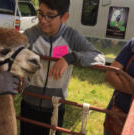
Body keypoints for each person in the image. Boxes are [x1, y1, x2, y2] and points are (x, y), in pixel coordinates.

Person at [20, 0, 105, 135]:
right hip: (29, 104)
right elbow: (13, 54)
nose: (43, 20)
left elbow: (99, 57)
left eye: (50, 15)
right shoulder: (30, 34)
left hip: (55, 108)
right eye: (40, 14)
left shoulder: (71, 36)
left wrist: (69, 58)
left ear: (64, 17)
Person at [104, 38, 134, 135]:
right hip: (117, 115)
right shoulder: (132, 44)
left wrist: (123, 76)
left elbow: (116, 73)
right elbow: (110, 75)